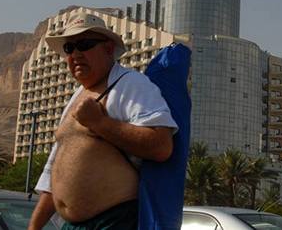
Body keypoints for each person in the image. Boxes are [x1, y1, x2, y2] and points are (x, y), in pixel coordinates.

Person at [28, 12, 178, 230]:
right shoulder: (76, 96)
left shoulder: (130, 84)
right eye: (69, 48)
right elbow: (53, 173)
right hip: (71, 225)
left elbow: (161, 146)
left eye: (85, 44)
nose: (76, 54)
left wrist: (100, 123)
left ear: (108, 49)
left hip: (111, 222)